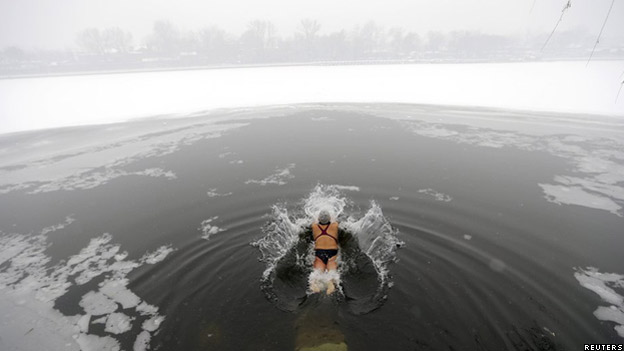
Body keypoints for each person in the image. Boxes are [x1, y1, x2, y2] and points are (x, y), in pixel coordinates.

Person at [310, 210, 339, 294]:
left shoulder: (314, 226)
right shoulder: (335, 226)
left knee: (317, 274)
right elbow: (334, 219)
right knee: (331, 273)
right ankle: (330, 283)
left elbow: (315, 220)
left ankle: (314, 284)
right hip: (332, 252)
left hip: (319, 252)